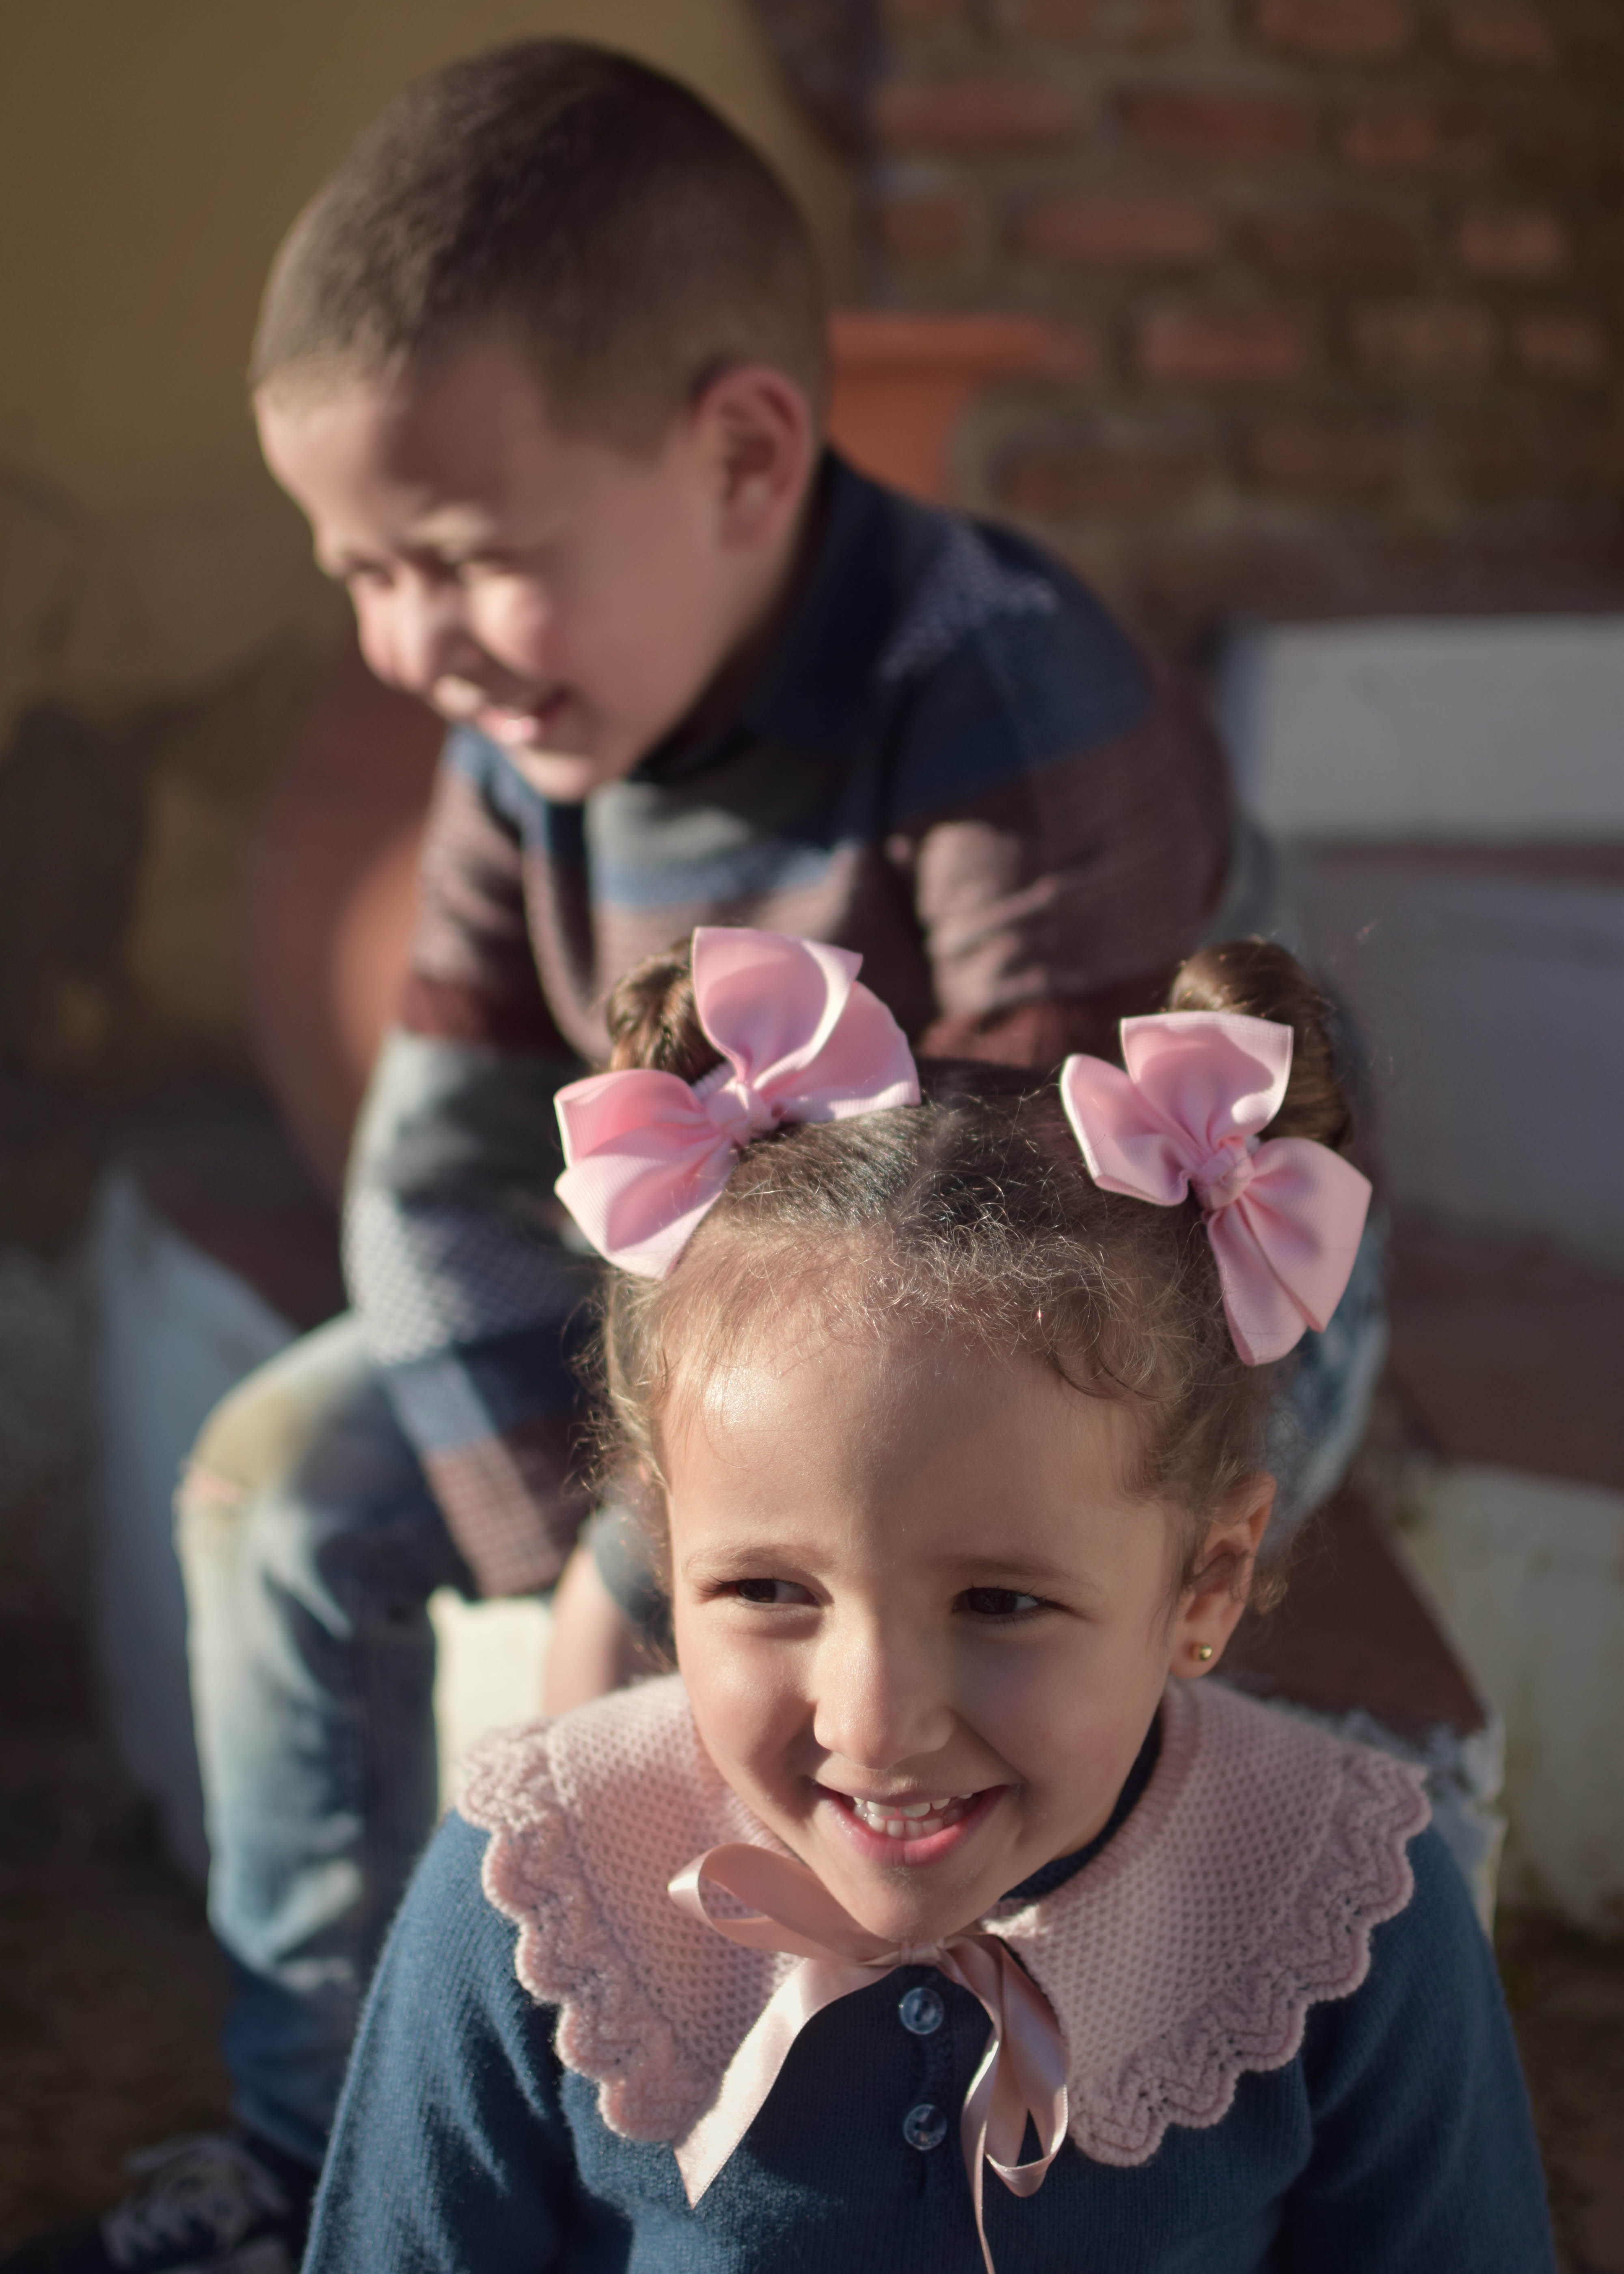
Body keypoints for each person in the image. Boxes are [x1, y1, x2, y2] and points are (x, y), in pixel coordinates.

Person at [0, 41, 1382, 2274]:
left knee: (907, 1650)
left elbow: (1084, 1312)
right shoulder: (541, 732)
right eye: (360, 571)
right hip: (752, 1346)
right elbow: (438, 1187)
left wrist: (663, 1585)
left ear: (742, 452)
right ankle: (315, 2132)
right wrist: (593, 1534)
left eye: (461, 557)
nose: (405, 641)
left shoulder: (1000, 703)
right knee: (270, 1488)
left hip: (1121, 1323)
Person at [300, 925, 1552, 2273]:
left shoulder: (1344, 1910)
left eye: (1001, 1604)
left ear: (1208, 1581)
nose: (879, 1722)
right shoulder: (538, 1891)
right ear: (667, 1562)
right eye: (770, 1589)